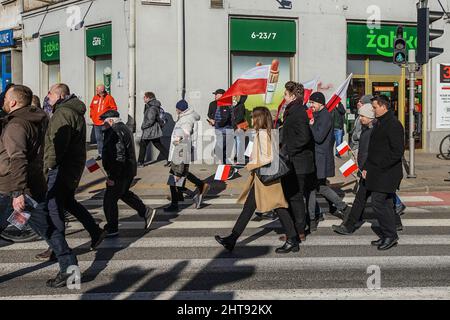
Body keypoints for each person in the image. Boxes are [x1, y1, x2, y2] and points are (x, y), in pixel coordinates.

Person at [0, 84, 78, 288]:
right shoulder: (37, 118)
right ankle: (71, 270)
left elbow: (17, 159)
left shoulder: (16, 126)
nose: (4, 101)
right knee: (49, 230)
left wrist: (17, 193)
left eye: (6, 98)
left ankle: (70, 270)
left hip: (13, 189)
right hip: (35, 184)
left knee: (48, 230)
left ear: (14, 102)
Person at [215, 107, 300, 254]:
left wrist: (250, 165)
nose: (251, 120)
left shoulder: (262, 134)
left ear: (259, 119)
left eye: (254, 117)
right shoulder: (267, 132)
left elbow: (267, 157)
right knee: (249, 208)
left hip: (267, 178)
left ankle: (292, 239)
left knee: (279, 208)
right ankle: (232, 239)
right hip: (263, 178)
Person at [39, 84, 106, 262]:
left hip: (61, 167)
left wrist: (49, 166)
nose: (48, 96)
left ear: (60, 95)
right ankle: (95, 231)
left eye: (50, 93)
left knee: (53, 206)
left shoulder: (63, 113)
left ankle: (57, 247)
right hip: (71, 166)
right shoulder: (72, 110)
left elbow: (56, 144)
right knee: (68, 202)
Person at [332, 103, 404, 235]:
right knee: (365, 199)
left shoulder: (375, 131)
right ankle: (350, 225)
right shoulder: (368, 129)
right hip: (368, 169)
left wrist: (365, 169)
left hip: (371, 171)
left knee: (380, 200)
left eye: (362, 116)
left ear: (371, 117)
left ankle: (391, 227)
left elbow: (371, 153)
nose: (360, 118)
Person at [101, 110, 156, 237]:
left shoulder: (116, 130)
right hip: (126, 170)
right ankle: (145, 211)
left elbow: (119, 155)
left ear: (111, 120)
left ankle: (112, 228)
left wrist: (113, 176)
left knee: (109, 200)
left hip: (120, 172)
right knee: (123, 194)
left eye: (104, 121)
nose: (102, 124)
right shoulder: (122, 128)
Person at [363, 95, 405, 250]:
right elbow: (373, 150)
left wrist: (379, 166)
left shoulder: (393, 124)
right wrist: (367, 167)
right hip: (377, 171)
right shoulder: (380, 123)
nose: (373, 110)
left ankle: (390, 236)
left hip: (387, 172)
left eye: (374, 107)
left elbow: (397, 151)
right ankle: (388, 235)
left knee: (378, 203)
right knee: (385, 203)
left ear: (383, 107)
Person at [280, 81, 316, 242]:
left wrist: (289, 150)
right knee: (292, 197)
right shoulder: (292, 110)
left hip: (298, 162)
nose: (284, 97)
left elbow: (304, 137)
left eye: (285, 94)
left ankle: (299, 231)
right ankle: (295, 229)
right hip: (293, 161)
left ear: (293, 96)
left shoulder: (299, 111)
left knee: (296, 198)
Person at [308, 92, 349, 219]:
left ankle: (313, 217)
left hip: (321, 158)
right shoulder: (320, 114)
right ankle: (339, 208)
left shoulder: (325, 116)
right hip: (319, 157)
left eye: (313, 102)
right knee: (320, 187)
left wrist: (311, 126)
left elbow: (319, 137)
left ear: (320, 103)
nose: (311, 105)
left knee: (314, 187)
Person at [165, 100, 210, 212]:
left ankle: (177, 203)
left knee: (174, 178)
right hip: (181, 151)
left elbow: (184, 136)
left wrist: (177, 145)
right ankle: (198, 187)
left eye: (176, 109)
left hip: (180, 152)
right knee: (181, 175)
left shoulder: (186, 120)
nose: (175, 111)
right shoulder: (185, 117)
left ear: (180, 109)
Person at [138, 92, 170, 167]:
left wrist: (143, 126)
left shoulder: (151, 107)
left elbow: (150, 120)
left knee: (143, 145)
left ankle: (140, 162)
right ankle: (170, 159)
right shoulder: (153, 105)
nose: (143, 99)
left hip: (150, 130)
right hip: (154, 130)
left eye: (144, 97)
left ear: (148, 98)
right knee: (158, 144)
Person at [89, 84, 117, 160]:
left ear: (102, 90)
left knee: (107, 139)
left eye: (97, 89)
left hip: (105, 123)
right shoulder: (95, 97)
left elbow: (114, 109)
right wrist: (91, 115)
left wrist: (108, 118)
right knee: (98, 139)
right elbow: (91, 107)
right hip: (96, 122)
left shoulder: (109, 98)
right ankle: (100, 154)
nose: (96, 90)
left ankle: (108, 153)